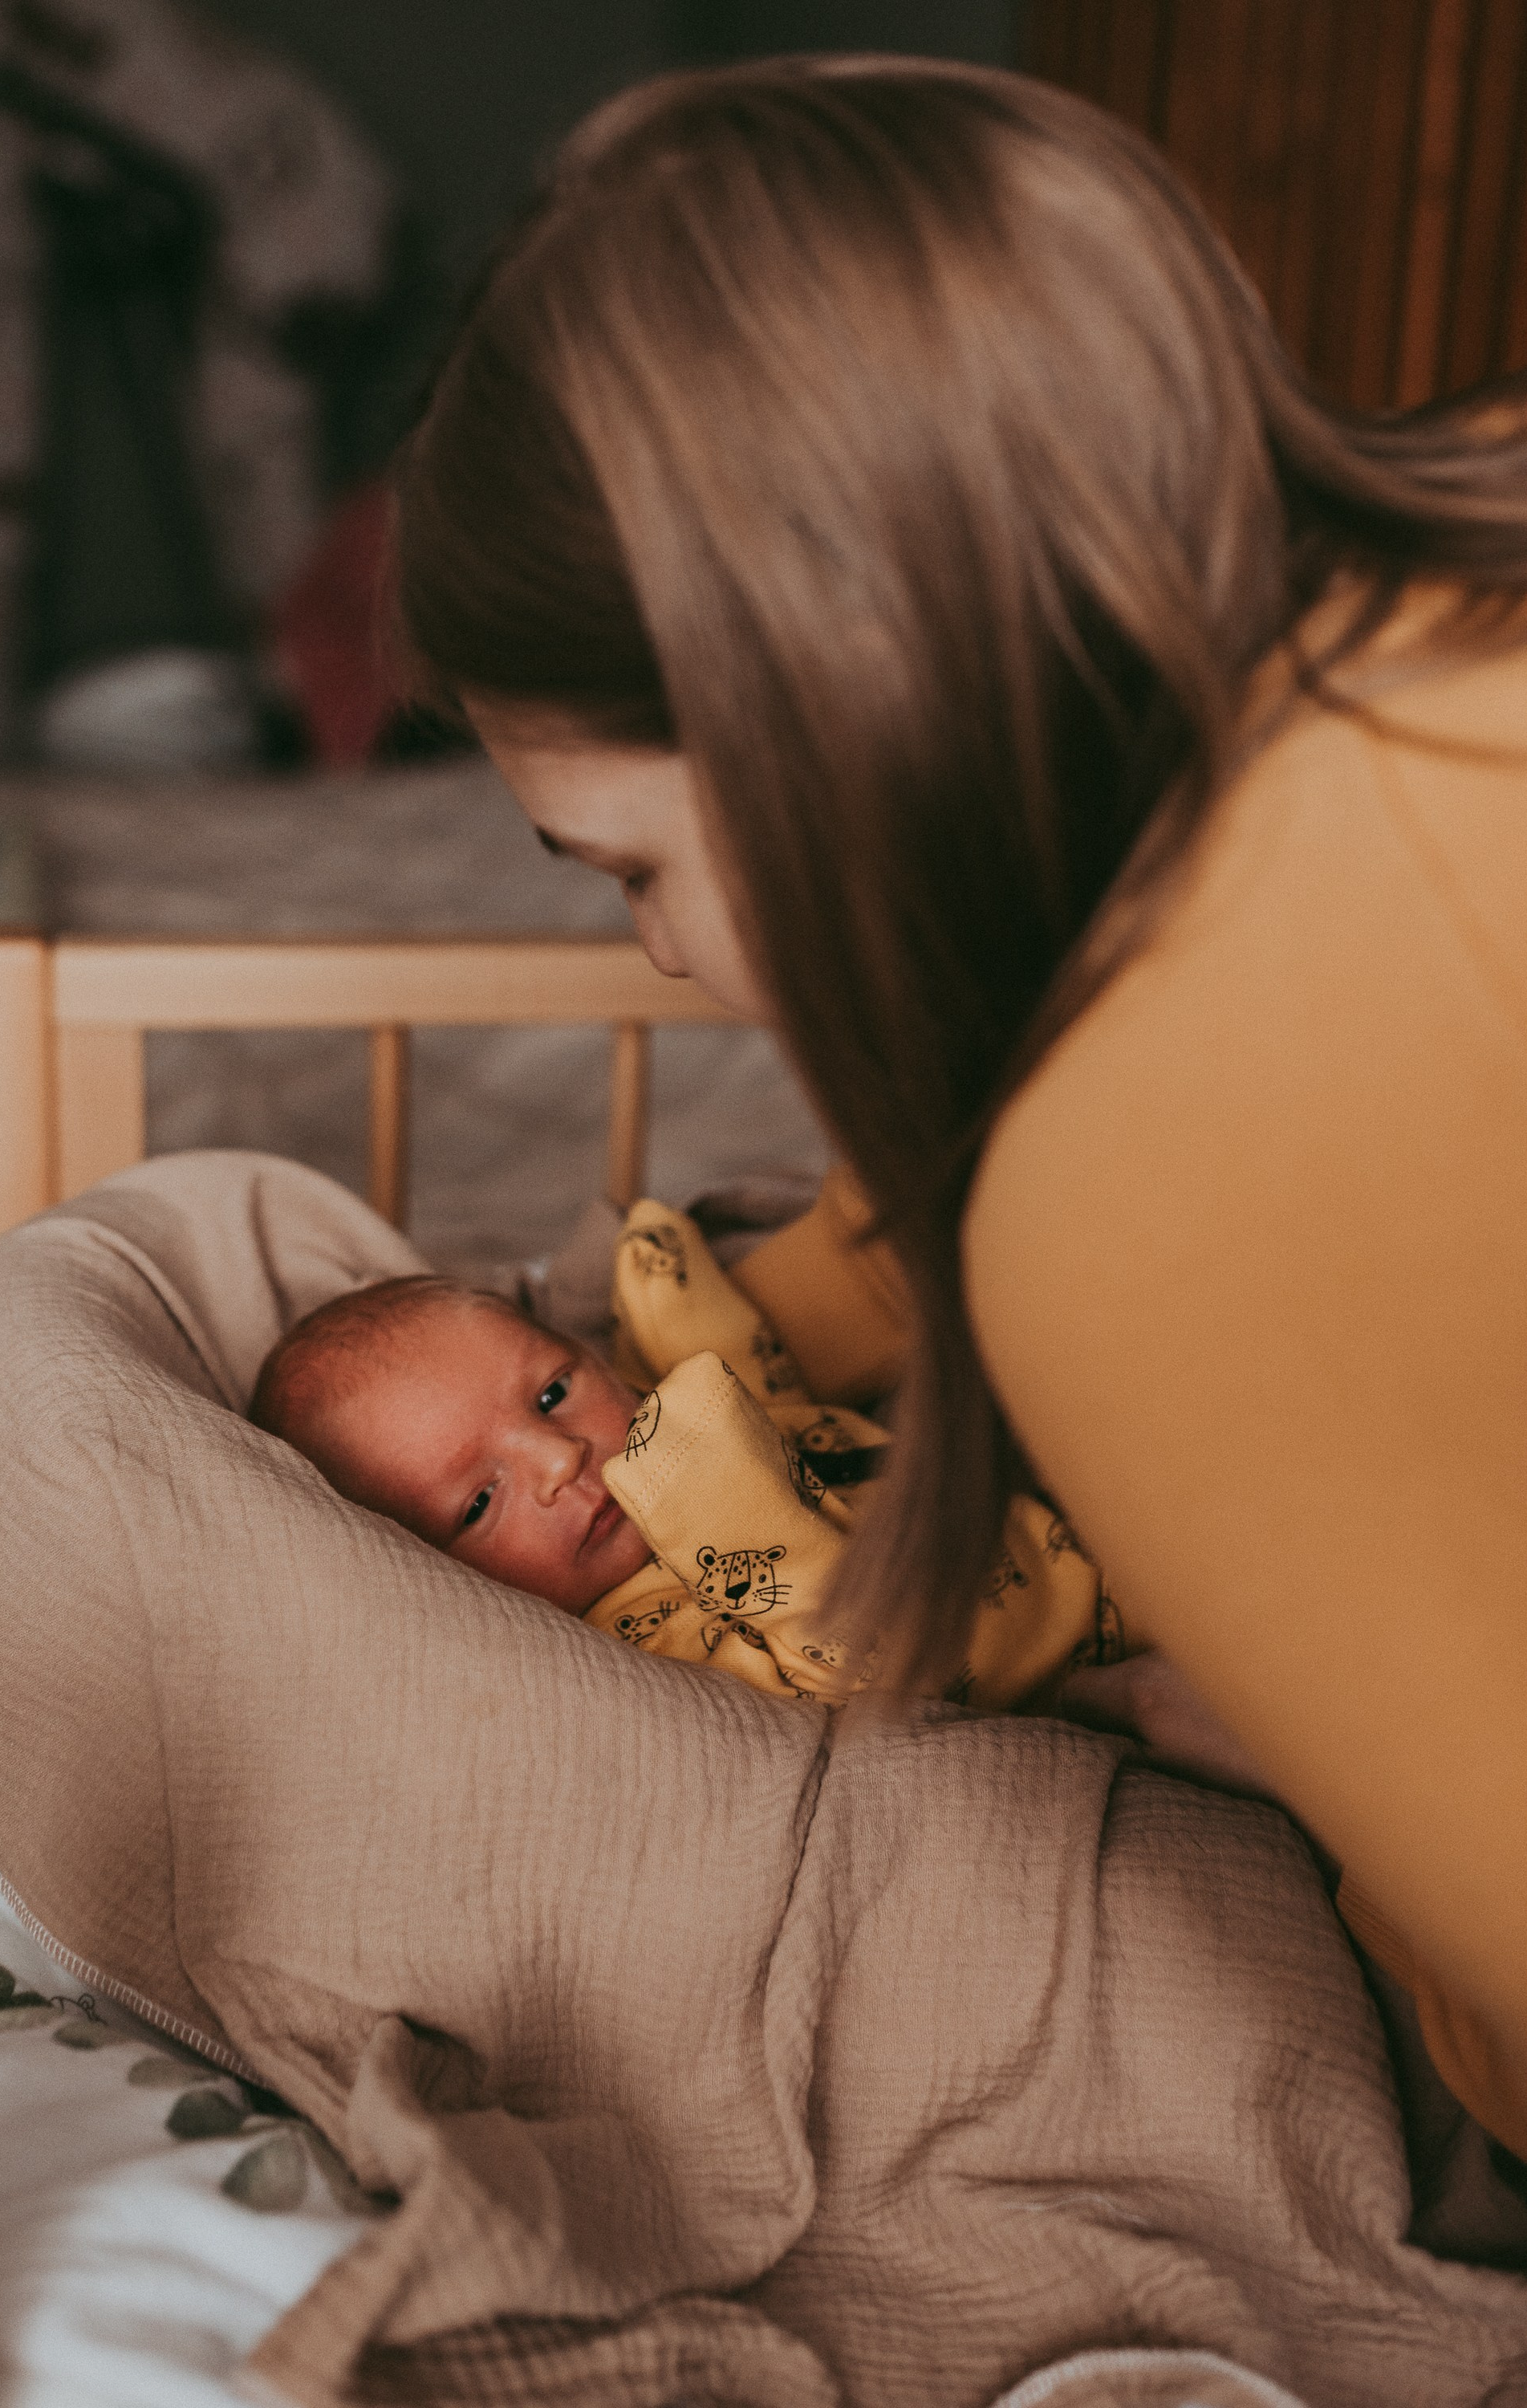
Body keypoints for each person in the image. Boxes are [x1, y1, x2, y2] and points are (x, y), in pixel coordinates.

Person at [391, 57, 1527, 2153]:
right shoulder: (1437, 560)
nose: (656, 958)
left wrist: (1303, 1776)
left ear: (823, 713)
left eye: (632, 865)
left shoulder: (1124, 1201)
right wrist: (779, 1308)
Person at [251, 1201, 1123, 1707]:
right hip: (1092, 1615)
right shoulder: (645, 1645)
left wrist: (679, 1322)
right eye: (479, 1503)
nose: (556, 1457)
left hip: (1042, 1472)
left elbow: (760, 1396)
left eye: (553, 1393)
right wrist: (724, 1508)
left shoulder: (664, 1425)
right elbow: (869, 1670)